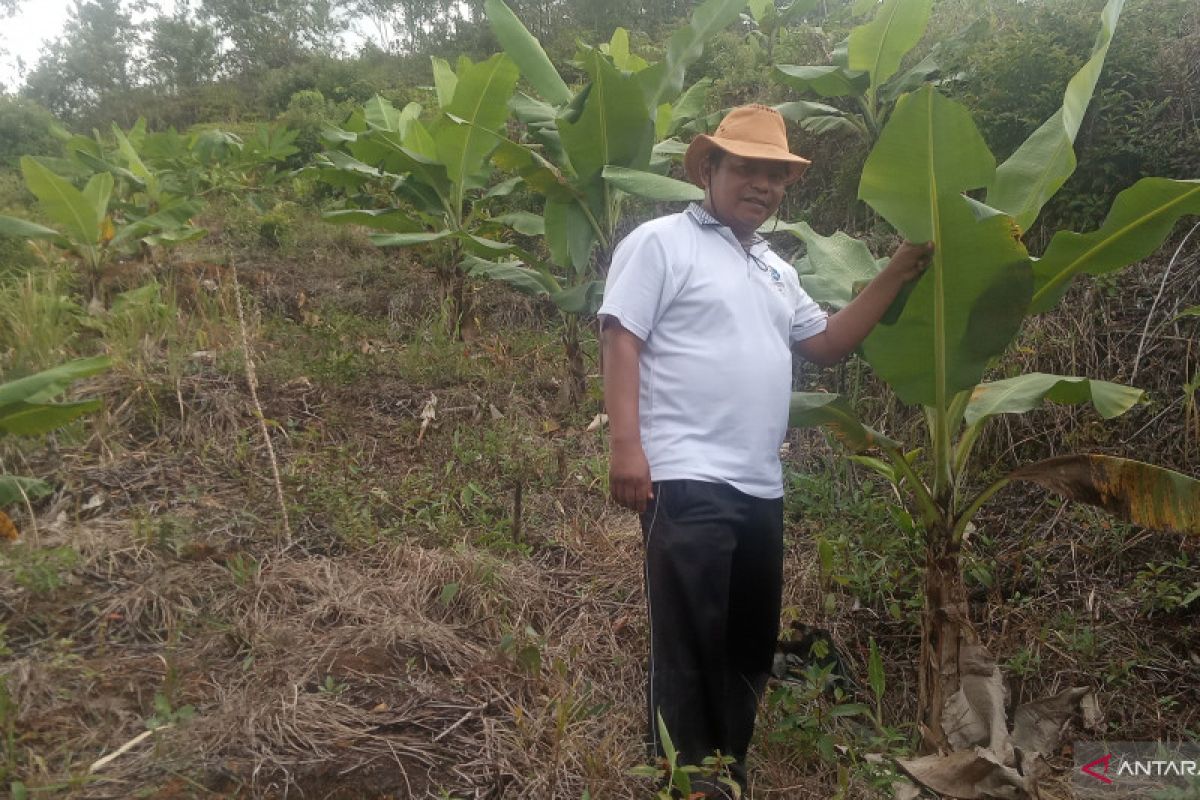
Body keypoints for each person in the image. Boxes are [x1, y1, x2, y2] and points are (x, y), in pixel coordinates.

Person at [597, 104, 931, 798]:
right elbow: (620, 335)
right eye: (746, 168)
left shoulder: (776, 268)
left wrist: (897, 271)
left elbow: (829, 345)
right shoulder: (661, 243)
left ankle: (729, 766)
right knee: (690, 636)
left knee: (749, 638)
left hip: (759, 485)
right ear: (709, 170)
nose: (763, 185)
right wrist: (627, 448)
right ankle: (686, 775)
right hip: (683, 473)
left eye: (775, 175)